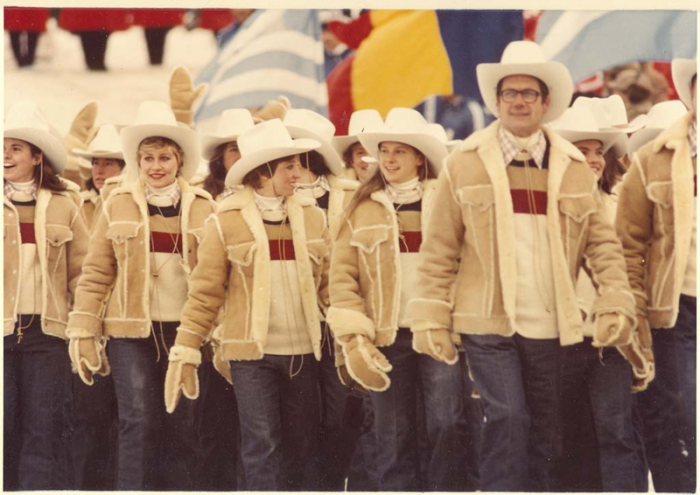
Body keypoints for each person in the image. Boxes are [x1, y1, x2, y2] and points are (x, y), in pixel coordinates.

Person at [406, 41, 638, 492]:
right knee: (507, 418)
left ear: (545, 102)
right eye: (509, 92)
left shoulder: (572, 167)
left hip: (553, 323)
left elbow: (602, 245)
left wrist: (614, 300)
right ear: (496, 101)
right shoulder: (464, 163)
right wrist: (431, 317)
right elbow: (438, 251)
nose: (518, 101)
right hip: (487, 321)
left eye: (528, 93)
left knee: (546, 436)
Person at [164, 119, 330, 491]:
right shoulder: (225, 221)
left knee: (304, 448)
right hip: (249, 357)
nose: (298, 173)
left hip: (304, 352)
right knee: (262, 446)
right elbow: (205, 294)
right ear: (262, 173)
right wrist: (186, 349)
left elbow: (331, 289)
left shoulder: (314, 217)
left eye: (297, 164)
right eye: (288, 166)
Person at [66, 101, 215, 490]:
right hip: (130, 333)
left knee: (183, 420)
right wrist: (83, 330)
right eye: (146, 157)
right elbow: (96, 273)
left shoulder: (204, 207)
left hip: (185, 332)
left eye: (164, 157)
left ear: (180, 161)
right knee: (137, 419)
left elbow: (215, 279)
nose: (155, 166)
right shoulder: (117, 202)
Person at [327, 107, 469, 491]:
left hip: (438, 333)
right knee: (391, 437)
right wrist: (356, 338)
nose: (388, 160)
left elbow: (468, 265)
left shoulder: (446, 202)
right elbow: (342, 277)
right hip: (386, 338)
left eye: (399, 152)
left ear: (419, 158)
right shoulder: (360, 206)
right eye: (384, 152)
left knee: (447, 424)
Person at [552, 104, 649, 491]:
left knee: (616, 430)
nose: (591, 159)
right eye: (581, 150)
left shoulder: (619, 203)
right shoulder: (546, 211)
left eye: (597, 151)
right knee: (565, 439)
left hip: (613, 338)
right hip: (560, 337)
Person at [616, 57, 697, 493]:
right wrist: (636, 307)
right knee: (681, 412)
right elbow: (628, 242)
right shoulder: (654, 158)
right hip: (679, 305)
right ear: (691, 93)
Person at [4, 100, 89, 490]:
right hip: (1, 331)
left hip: (47, 335)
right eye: (2, 147)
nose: (6, 155)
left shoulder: (64, 203)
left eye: (16, 148)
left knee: (44, 429)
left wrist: (84, 328)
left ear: (37, 157)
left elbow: (82, 273)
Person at [281, 108, 362, 489]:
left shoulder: (349, 195)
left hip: (338, 318)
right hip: (291, 322)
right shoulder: (275, 196)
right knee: (298, 419)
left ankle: (333, 482)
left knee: (340, 410)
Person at [73, 124, 126, 228]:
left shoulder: (129, 204)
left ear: (122, 168)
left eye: (108, 164)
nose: (99, 171)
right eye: (96, 163)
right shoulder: (79, 204)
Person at [199, 108, 255, 200]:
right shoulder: (202, 195)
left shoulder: (266, 192)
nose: (242, 156)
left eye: (247, 148)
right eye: (234, 150)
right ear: (221, 156)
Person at [332, 109, 383, 182]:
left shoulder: (400, 190)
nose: (368, 159)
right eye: (361, 152)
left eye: (374, 151)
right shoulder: (340, 192)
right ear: (351, 160)